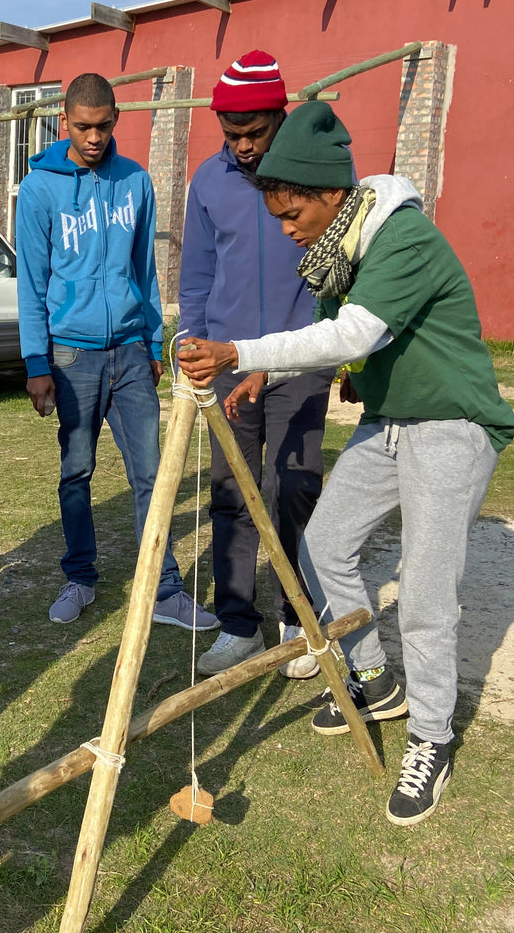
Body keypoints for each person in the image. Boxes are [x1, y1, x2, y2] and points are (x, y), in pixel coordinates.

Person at [177, 101, 514, 826]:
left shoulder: (403, 238)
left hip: (452, 428)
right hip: (393, 423)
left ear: (330, 193)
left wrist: (241, 352)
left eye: (291, 210)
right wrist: (262, 374)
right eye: (275, 215)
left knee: (425, 594)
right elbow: (334, 333)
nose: (285, 227)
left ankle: (431, 736)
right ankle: (370, 678)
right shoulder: (343, 248)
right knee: (323, 543)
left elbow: (350, 331)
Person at [16, 72, 218, 631]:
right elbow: (31, 284)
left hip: (131, 352)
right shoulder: (38, 191)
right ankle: (80, 578)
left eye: (103, 126)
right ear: (65, 122)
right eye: (83, 127)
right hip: (71, 356)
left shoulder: (136, 182)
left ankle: (166, 590)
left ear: (115, 121)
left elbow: (144, 272)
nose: (94, 137)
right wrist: (37, 363)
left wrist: (153, 340)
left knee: (153, 475)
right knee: (76, 471)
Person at [177, 51, 331, 680]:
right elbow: (197, 277)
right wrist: (192, 340)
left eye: (254, 133)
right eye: (231, 135)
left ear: (280, 118)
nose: (242, 147)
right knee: (231, 494)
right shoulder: (208, 183)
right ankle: (239, 622)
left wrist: (339, 346)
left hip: (301, 359)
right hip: (227, 365)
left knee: (291, 486)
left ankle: (296, 617)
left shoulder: (313, 177)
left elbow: (340, 268)